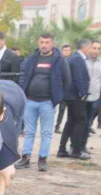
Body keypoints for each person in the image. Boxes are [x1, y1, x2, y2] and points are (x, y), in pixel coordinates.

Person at [16, 32, 65, 171]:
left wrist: (58, 98)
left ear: (52, 44)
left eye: (47, 42)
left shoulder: (58, 59)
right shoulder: (32, 58)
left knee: (46, 133)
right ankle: (25, 157)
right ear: (38, 43)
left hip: (47, 102)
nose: (44, 45)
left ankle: (42, 159)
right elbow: (24, 76)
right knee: (29, 131)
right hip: (30, 101)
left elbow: (66, 79)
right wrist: (23, 92)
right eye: (42, 42)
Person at [57, 39, 92, 160]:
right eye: (90, 47)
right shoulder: (77, 59)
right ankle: (76, 150)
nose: (91, 50)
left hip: (70, 96)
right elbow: (78, 78)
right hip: (76, 96)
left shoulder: (73, 58)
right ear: (85, 47)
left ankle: (62, 149)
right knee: (81, 120)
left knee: (71, 121)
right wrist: (83, 93)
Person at [85, 41, 101, 136]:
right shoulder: (83, 60)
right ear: (89, 48)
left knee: (89, 120)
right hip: (83, 96)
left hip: (95, 96)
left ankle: (83, 144)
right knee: (80, 120)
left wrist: (96, 87)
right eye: (94, 48)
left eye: (98, 49)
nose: (96, 51)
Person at [54, 44, 73, 133]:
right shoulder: (58, 60)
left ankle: (58, 125)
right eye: (65, 50)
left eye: (68, 50)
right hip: (57, 88)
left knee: (62, 109)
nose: (67, 52)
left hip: (66, 89)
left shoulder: (71, 61)